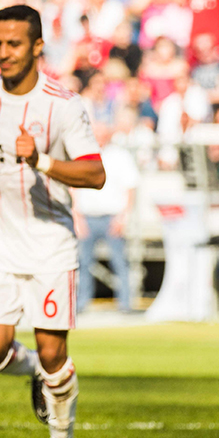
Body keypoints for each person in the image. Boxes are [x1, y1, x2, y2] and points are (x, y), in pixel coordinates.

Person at [0, 5, 106, 438]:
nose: (4, 53)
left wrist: (41, 161)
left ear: (38, 46)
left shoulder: (63, 104)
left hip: (49, 246)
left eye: (14, 44)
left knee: (54, 352)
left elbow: (95, 174)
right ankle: (38, 373)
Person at [73, 122, 140, 313]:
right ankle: (81, 303)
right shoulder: (82, 156)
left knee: (119, 262)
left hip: (112, 216)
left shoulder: (120, 156)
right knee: (83, 262)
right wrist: (77, 217)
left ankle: (125, 303)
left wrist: (123, 218)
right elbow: (74, 187)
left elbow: (130, 187)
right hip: (87, 216)